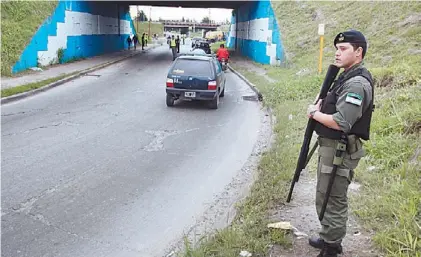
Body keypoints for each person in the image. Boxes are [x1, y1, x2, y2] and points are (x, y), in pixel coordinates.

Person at [306, 30, 374, 257]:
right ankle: (328, 236)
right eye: (336, 48)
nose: (337, 53)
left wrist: (315, 114)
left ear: (358, 52)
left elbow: (342, 122)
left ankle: (332, 247)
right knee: (324, 193)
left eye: (343, 49)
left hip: (340, 151)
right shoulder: (345, 76)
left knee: (333, 197)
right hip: (332, 148)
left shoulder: (356, 84)